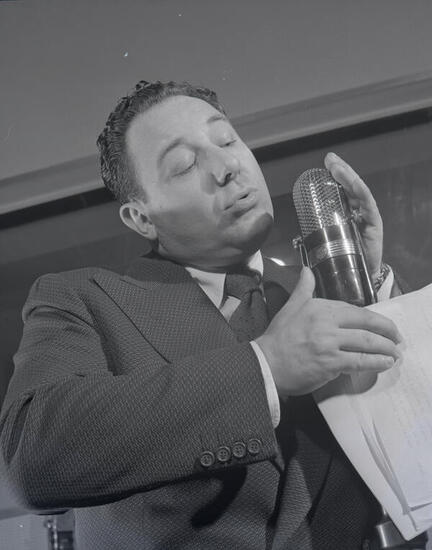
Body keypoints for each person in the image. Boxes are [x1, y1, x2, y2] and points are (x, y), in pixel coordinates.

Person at [0, 81, 405, 549]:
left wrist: (372, 292)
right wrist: (265, 369)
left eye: (227, 140)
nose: (227, 167)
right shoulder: (85, 300)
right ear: (141, 218)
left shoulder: (321, 297)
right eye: (185, 165)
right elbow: (31, 461)